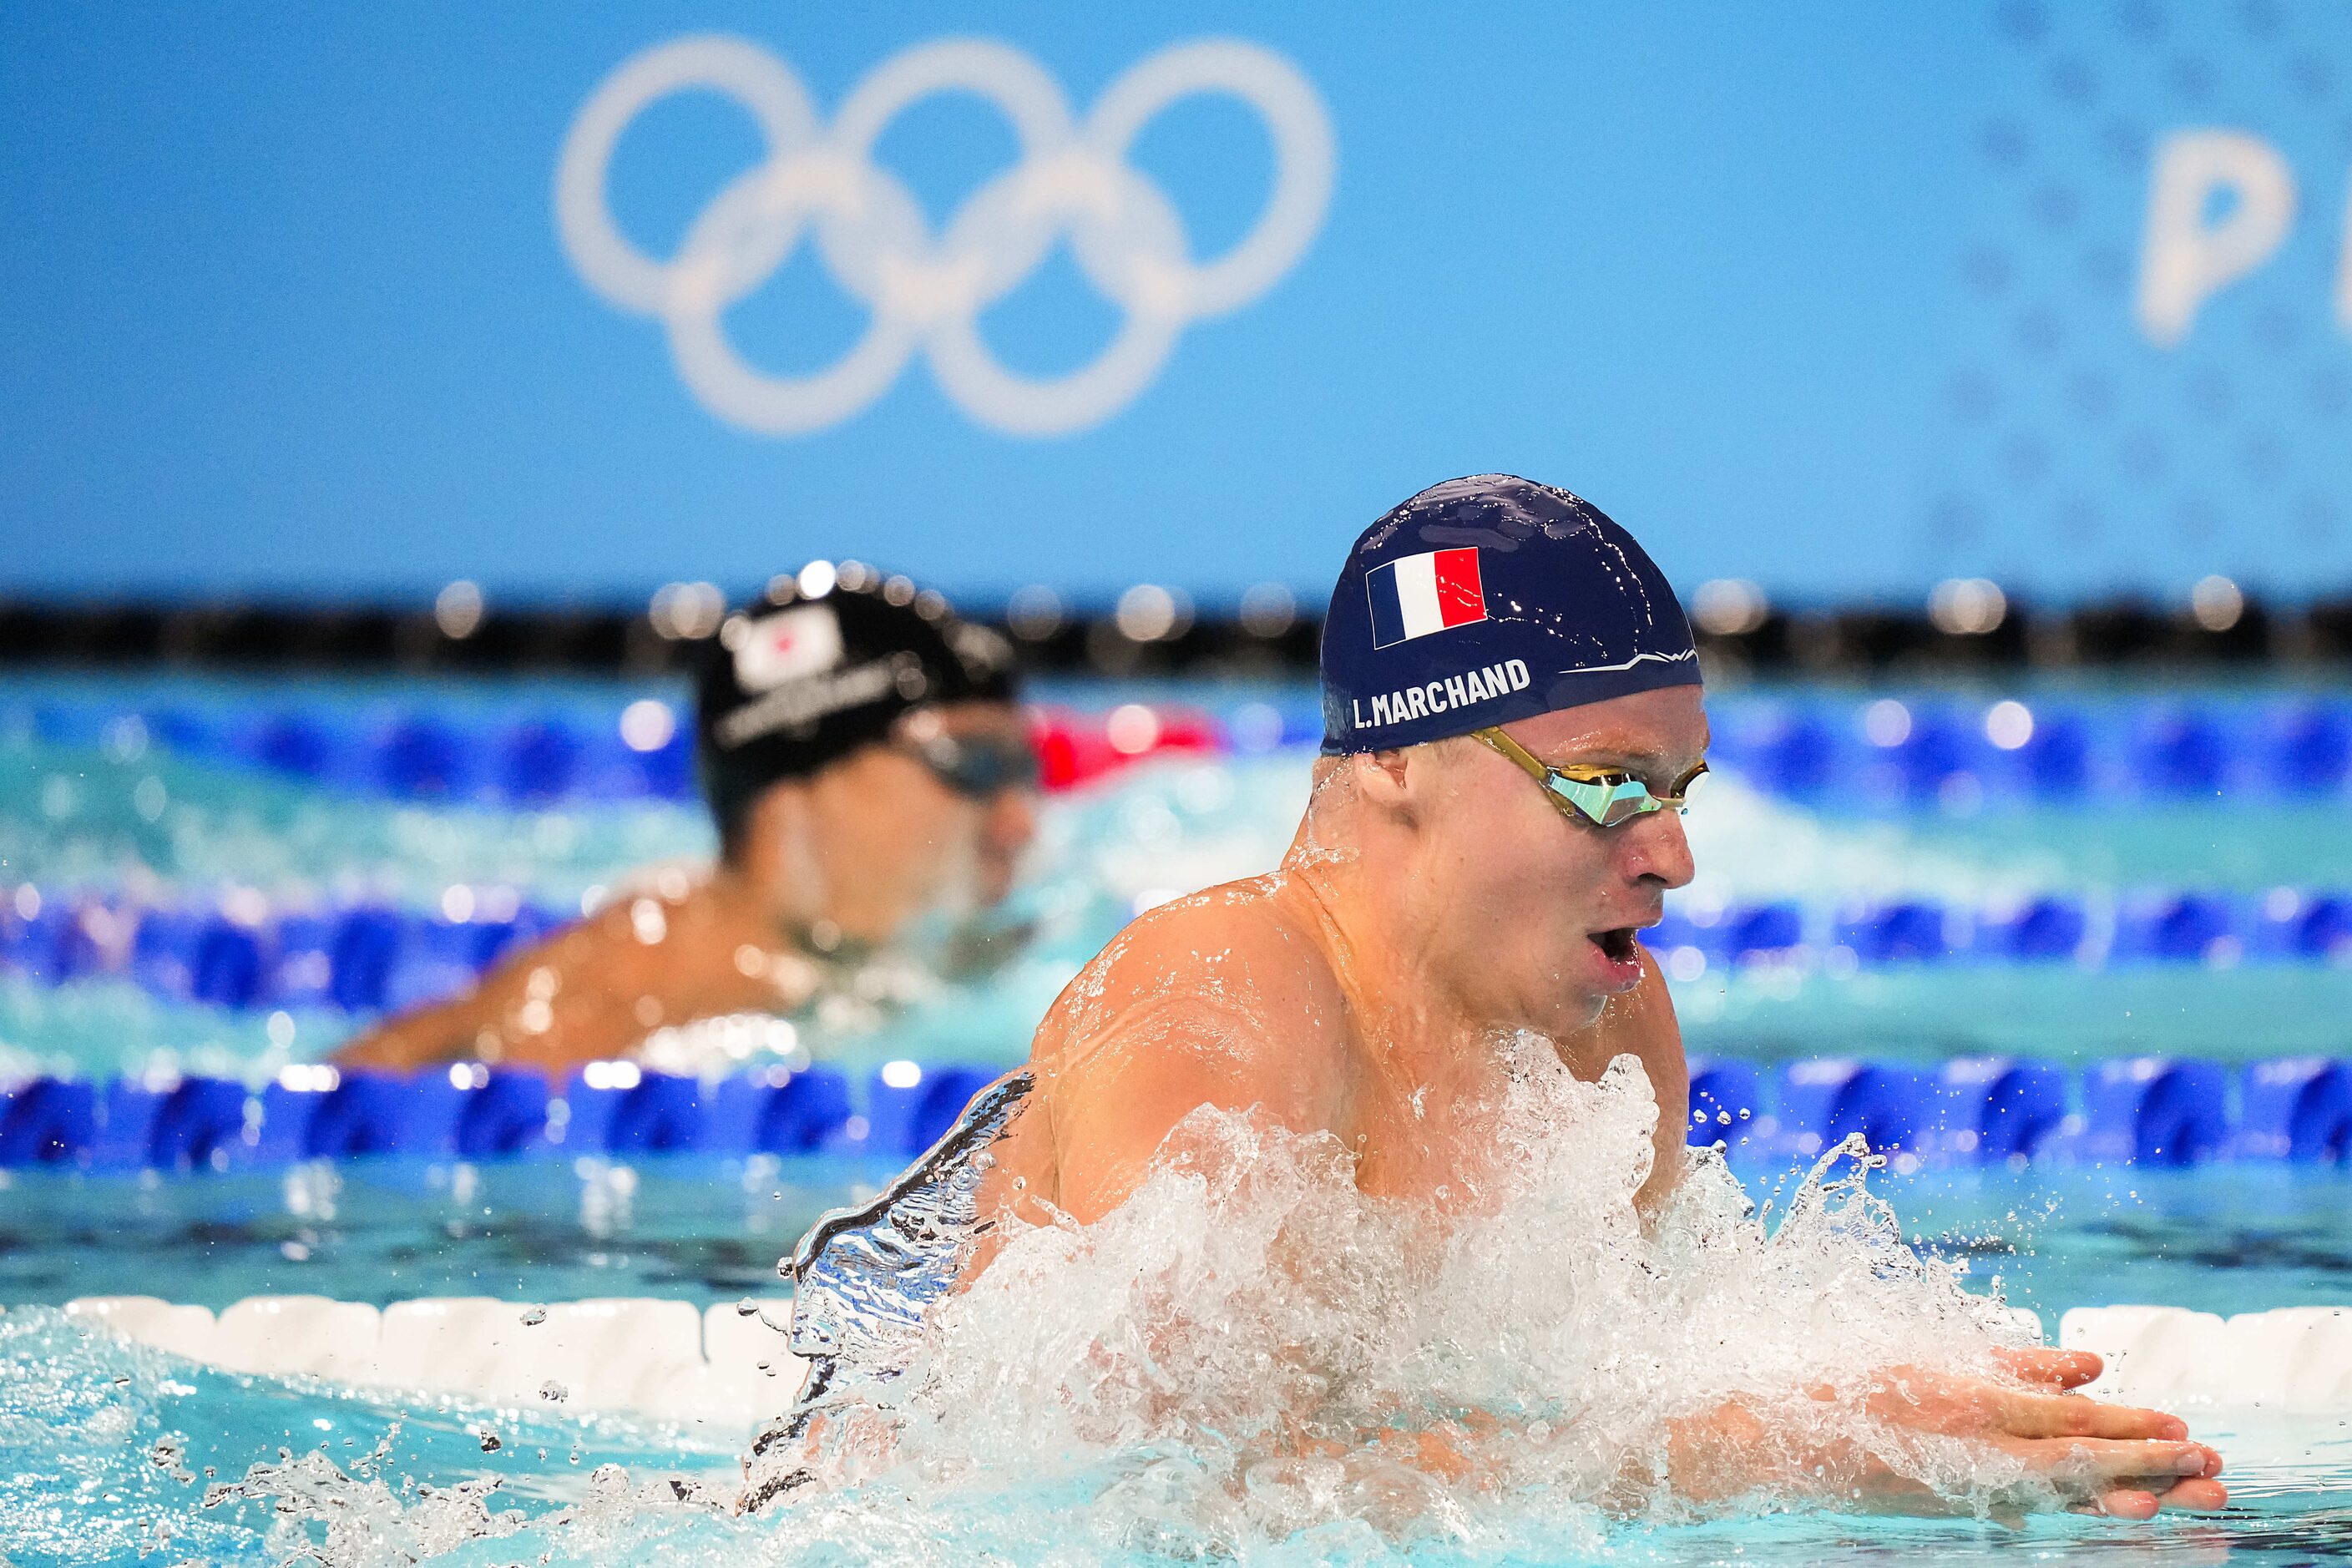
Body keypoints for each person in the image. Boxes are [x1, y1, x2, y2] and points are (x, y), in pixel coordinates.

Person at [754, 477, 2228, 1520]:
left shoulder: (1602, 1027)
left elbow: (1600, 1411)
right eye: (1604, 783)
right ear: (1396, 759)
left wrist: (1956, 1455)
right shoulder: (1227, 993)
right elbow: (1181, 1499)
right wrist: (1785, 1450)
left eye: (1677, 788)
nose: (1673, 854)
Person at [336, 564, 1039, 1076]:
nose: (1018, 824)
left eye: (1022, 776)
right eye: (970, 767)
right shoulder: (616, 1008)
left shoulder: (940, 951)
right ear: (791, 794)